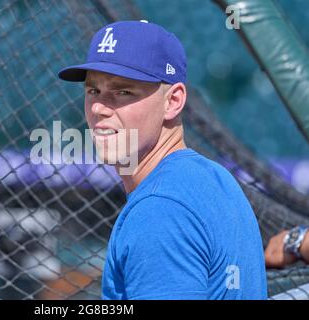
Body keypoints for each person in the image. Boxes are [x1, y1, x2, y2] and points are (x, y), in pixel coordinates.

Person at [58, 20, 267, 299]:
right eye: (93, 90)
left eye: (122, 91)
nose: (98, 108)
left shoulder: (159, 211)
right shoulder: (214, 178)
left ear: (173, 101)